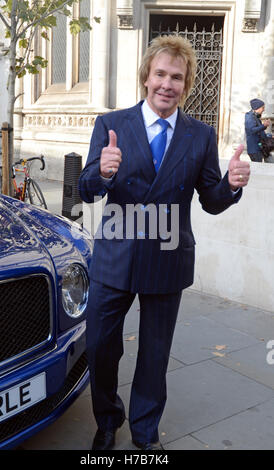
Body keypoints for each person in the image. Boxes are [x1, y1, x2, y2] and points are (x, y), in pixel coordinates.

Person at [79, 35, 250, 451]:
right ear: (146, 77)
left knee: (154, 355)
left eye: (177, 77)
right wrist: (101, 172)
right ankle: (107, 419)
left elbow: (210, 200)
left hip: (167, 256)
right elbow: (84, 190)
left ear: (186, 84)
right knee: (100, 346)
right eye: (160, 74)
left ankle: (144, 431)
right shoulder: (112, 124)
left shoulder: (200, 135)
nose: (167, 84)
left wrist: (229, 185)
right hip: (116, 254)